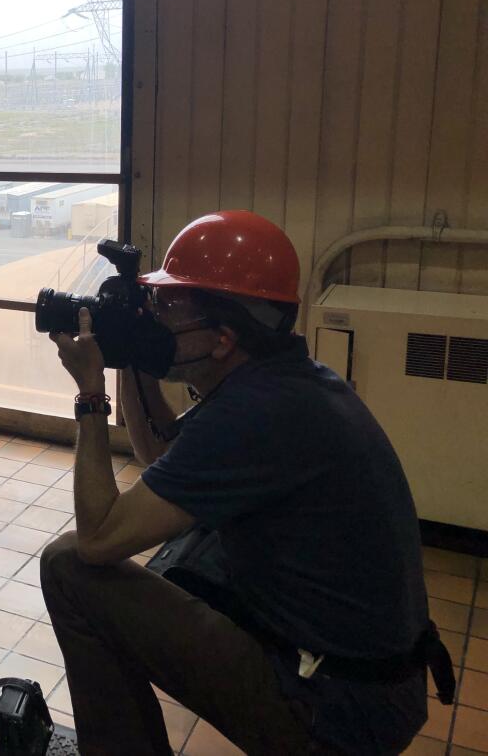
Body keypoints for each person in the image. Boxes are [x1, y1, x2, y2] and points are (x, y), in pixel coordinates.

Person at [41, 210, 451, 755]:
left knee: (69, 566)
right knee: (186, 541)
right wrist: (136, 358)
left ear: (223, 337)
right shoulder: (287, 381)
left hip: (340, 711)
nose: (156, 319)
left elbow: (98, 539)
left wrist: (91, 394)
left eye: (170, 308)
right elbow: (164, 454)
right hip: (373, 680)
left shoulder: (254, 413)